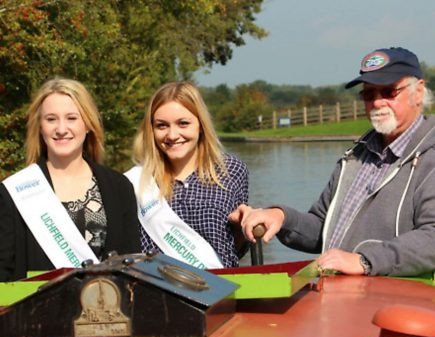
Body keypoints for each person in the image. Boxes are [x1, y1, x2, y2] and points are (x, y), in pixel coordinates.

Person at [230, 47, 435, 277]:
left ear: (418, 92)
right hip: (342, 300)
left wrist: (365, 261)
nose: (377, 103)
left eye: (388, 92)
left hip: (403, 305)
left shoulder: (430, 156)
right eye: (369, 94)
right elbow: (322, 228)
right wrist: (280, 217)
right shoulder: (356, 155)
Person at [0, 77, 140, 282]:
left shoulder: (119, 187)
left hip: (106, 311)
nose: (61, 129)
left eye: (72, 118)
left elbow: (133, 267)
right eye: (51, 119)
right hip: (36, 312)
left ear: (88, 124)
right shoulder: (14, 192)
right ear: (40, 126)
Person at [125, 81, 249, 269]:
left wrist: (243, 227)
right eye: (161, 126)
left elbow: (237, 250)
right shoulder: (135, 182)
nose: (172, 135)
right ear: (151, 130)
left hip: (219, 291)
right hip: (154, 291)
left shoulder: (231, 170)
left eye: (183, 123)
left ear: (200, 125)